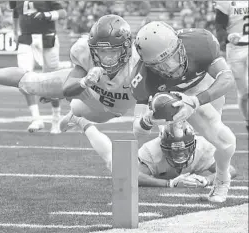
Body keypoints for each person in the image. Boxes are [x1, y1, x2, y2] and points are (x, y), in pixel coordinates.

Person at [129, 21, 236, 203]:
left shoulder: (200, 42)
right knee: (188, 137)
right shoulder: (142, 79)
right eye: (161, 65)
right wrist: (148, 119)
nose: (172, 67)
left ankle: (221, 179)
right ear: (148, 65)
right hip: (171, 97)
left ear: (179, 44)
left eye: (173, 56)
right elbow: (137, 130)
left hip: (204, 88)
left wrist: (196, 101)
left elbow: (226, 78)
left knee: (225, 142)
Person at [0, 15, 139, 126]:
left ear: (126, 48)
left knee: (77, 109)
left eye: (112, 52)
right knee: (33, 82)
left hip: (108, 110)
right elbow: (68, 88)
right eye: (102, 52)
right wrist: (84, 82)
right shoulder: (84, 52)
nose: (107, 59)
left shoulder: (139, 62)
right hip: (90, 92)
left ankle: (74, 117)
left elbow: (158, 97)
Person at [60, 114, 237, 189]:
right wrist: (169, 184)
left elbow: (231, 170)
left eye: (183, 148)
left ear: (193, 144)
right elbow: (132, 176)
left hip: (166, 172)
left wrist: (207, 180)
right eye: (174, 150)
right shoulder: (153, 151)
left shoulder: (203, 147)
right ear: (163, 145)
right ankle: (82, 121)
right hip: (136, 164)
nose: (179, 154)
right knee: (114, 160)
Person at [9, 1, 67, 134]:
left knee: (52, 81)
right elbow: (15, 12)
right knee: (23, 78)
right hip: (25, 39)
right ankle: (36, 119)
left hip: (47, 39)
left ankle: (56, 119)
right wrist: (14, 31)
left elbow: (63, 13)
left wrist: (47, 15)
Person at [215, 1, 249, 131]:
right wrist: (228, 36)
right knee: (244, 94)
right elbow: (219, 27)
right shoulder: (225, 2)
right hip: (235, 49)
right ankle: (247, 121)